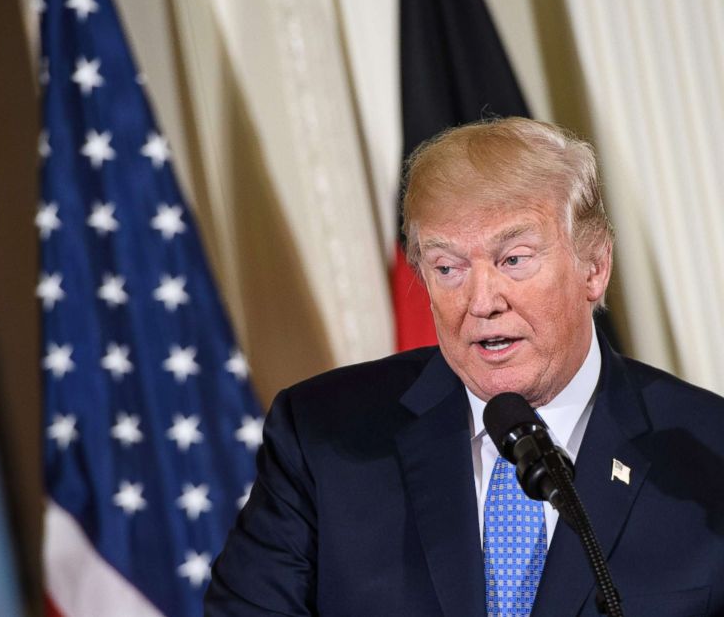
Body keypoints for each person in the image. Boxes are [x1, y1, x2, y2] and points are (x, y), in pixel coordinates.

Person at [205, 118, 724, 616]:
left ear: (594, 267)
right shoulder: (323, 437)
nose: (481, 301)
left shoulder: (709, 455)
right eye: (448, 267)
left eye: (514, 259)